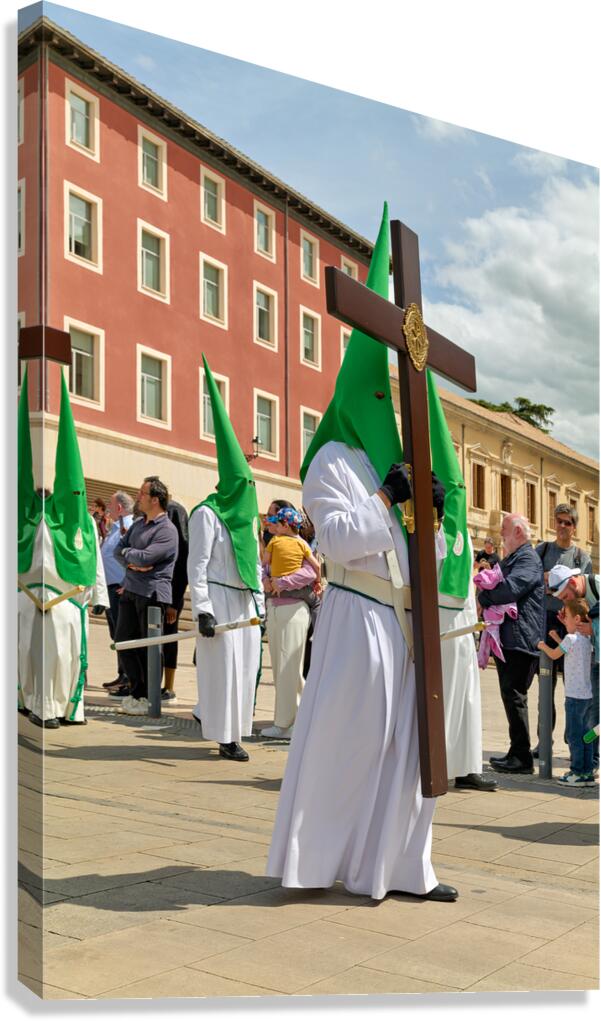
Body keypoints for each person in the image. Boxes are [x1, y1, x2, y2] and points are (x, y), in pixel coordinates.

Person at [267, 202, 457, 902]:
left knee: (410, 753)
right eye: (376, 390)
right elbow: (339, 536)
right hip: (354, 617)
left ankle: (404, 866)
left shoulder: (399, 457)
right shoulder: (331, 461)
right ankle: (318, 862)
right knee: (348, 748)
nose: (387, 401)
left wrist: (430, 514)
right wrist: (386, 499)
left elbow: (425, 551)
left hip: (408, 624)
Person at [18, 370, 109, 727]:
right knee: (38, 658)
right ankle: (43, 709)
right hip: (38, 601)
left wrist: (99, 594)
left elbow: (96, 559)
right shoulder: (38, 520)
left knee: (71, 659)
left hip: (72, 603)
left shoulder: (85, 523)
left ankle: (71, 708)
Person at [188, 357, 264, 762]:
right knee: (223, 671)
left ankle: (235, 730)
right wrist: (202, 609)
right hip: (218, 599)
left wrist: (260, 606)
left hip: (244, 602)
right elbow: (196, 566)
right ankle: (223, 735)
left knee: (245, 669)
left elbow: (256, 566)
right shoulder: (207, 514)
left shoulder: (248, 522)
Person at [425, 372, 497, 793]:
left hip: (463, 626)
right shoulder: (428, 533)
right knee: (442, 698)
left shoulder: (464, 535)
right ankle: (441, 762)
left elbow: (468, 581)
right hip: (439, 624)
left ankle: (467, 763)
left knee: (467, 698)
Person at [479, 513, 545, 774]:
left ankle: (521, 758)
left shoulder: (527, 559)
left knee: (514, 695)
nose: (501, 535)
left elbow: (510, 589)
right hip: (512, 637)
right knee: (511, 695)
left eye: (504, 530)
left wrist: (484, 597)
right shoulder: (516, 558)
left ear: (518, 531)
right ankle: (517, 752)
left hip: (521, 638)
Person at [112, 477, 179, 716]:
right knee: (123, 641)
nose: (138, 497)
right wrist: (133, 561)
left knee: (149, 646)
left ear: (155, 499)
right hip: (131, 589)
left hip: (152, 593)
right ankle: (137, 692)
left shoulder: (167, 530)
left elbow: (146, 558)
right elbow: (118, 551)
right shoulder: (139, 524)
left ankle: (150, 696)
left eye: (142, 493)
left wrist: (134, 558)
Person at [533, 504, 592, 750]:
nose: (562, 526)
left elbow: (584, 596)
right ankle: (543, 741)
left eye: (568, 522)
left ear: (575, 527)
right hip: (546, 620)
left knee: (575, 687)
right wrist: (543, 579)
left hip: (572, 624)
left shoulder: (582, 557)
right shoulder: (542, 550)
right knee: (545, 684)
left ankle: (574, 741)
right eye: (559, 521)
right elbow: (529, 579)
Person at [260, 506, 320, 738]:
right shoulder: (278, 544)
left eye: (277, 523)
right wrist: (267, 580)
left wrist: (281, 582)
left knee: (289, 666)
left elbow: (311, 572)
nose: (272, 527)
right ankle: (294, 720)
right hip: (276, 608)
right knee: (282, 667)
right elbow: (264, 567)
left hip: (293, 609)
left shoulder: (300, 546)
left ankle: (287, 723)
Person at [548, 563, 600, 776]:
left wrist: (593, 629)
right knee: (591, 717)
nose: (564, 602)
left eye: (565, 597)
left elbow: (593, 626)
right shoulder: (577, 598)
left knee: (591, 717)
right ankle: (590, 764)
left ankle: (587, 764)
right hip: (594, 661)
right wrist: (570, 623)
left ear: (571, 582)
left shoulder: (597, 585)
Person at [537, 598, 595, 786]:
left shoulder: (570, 639)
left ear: (577, 619)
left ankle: (576, 772)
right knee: (586, 736)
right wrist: (556, 637)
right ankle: (587, 773)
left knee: (574, 736)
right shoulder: (586, 639)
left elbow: (555, 655)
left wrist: (542, 645)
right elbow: (569, 649)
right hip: (587, 696)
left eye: (567, 617)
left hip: (574, 697)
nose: (565, 620)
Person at [100, 490, 134, 691]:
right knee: (116, 634)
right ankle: (122, 673)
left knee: (123, 634)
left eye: (111, 505)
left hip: (120, 588)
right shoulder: (115, 527)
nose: (108, 508)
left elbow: (131, 557)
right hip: (110, 588)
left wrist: (127, 584)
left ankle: (128, 677)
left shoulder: (128, 526)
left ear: (119, 507)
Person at [161, 495, 190, 703]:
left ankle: (168, 686)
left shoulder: (181, 547)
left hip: (171, 595)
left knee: (169, 639)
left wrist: (173, 601)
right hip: (157, 592)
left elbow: (181, 570)